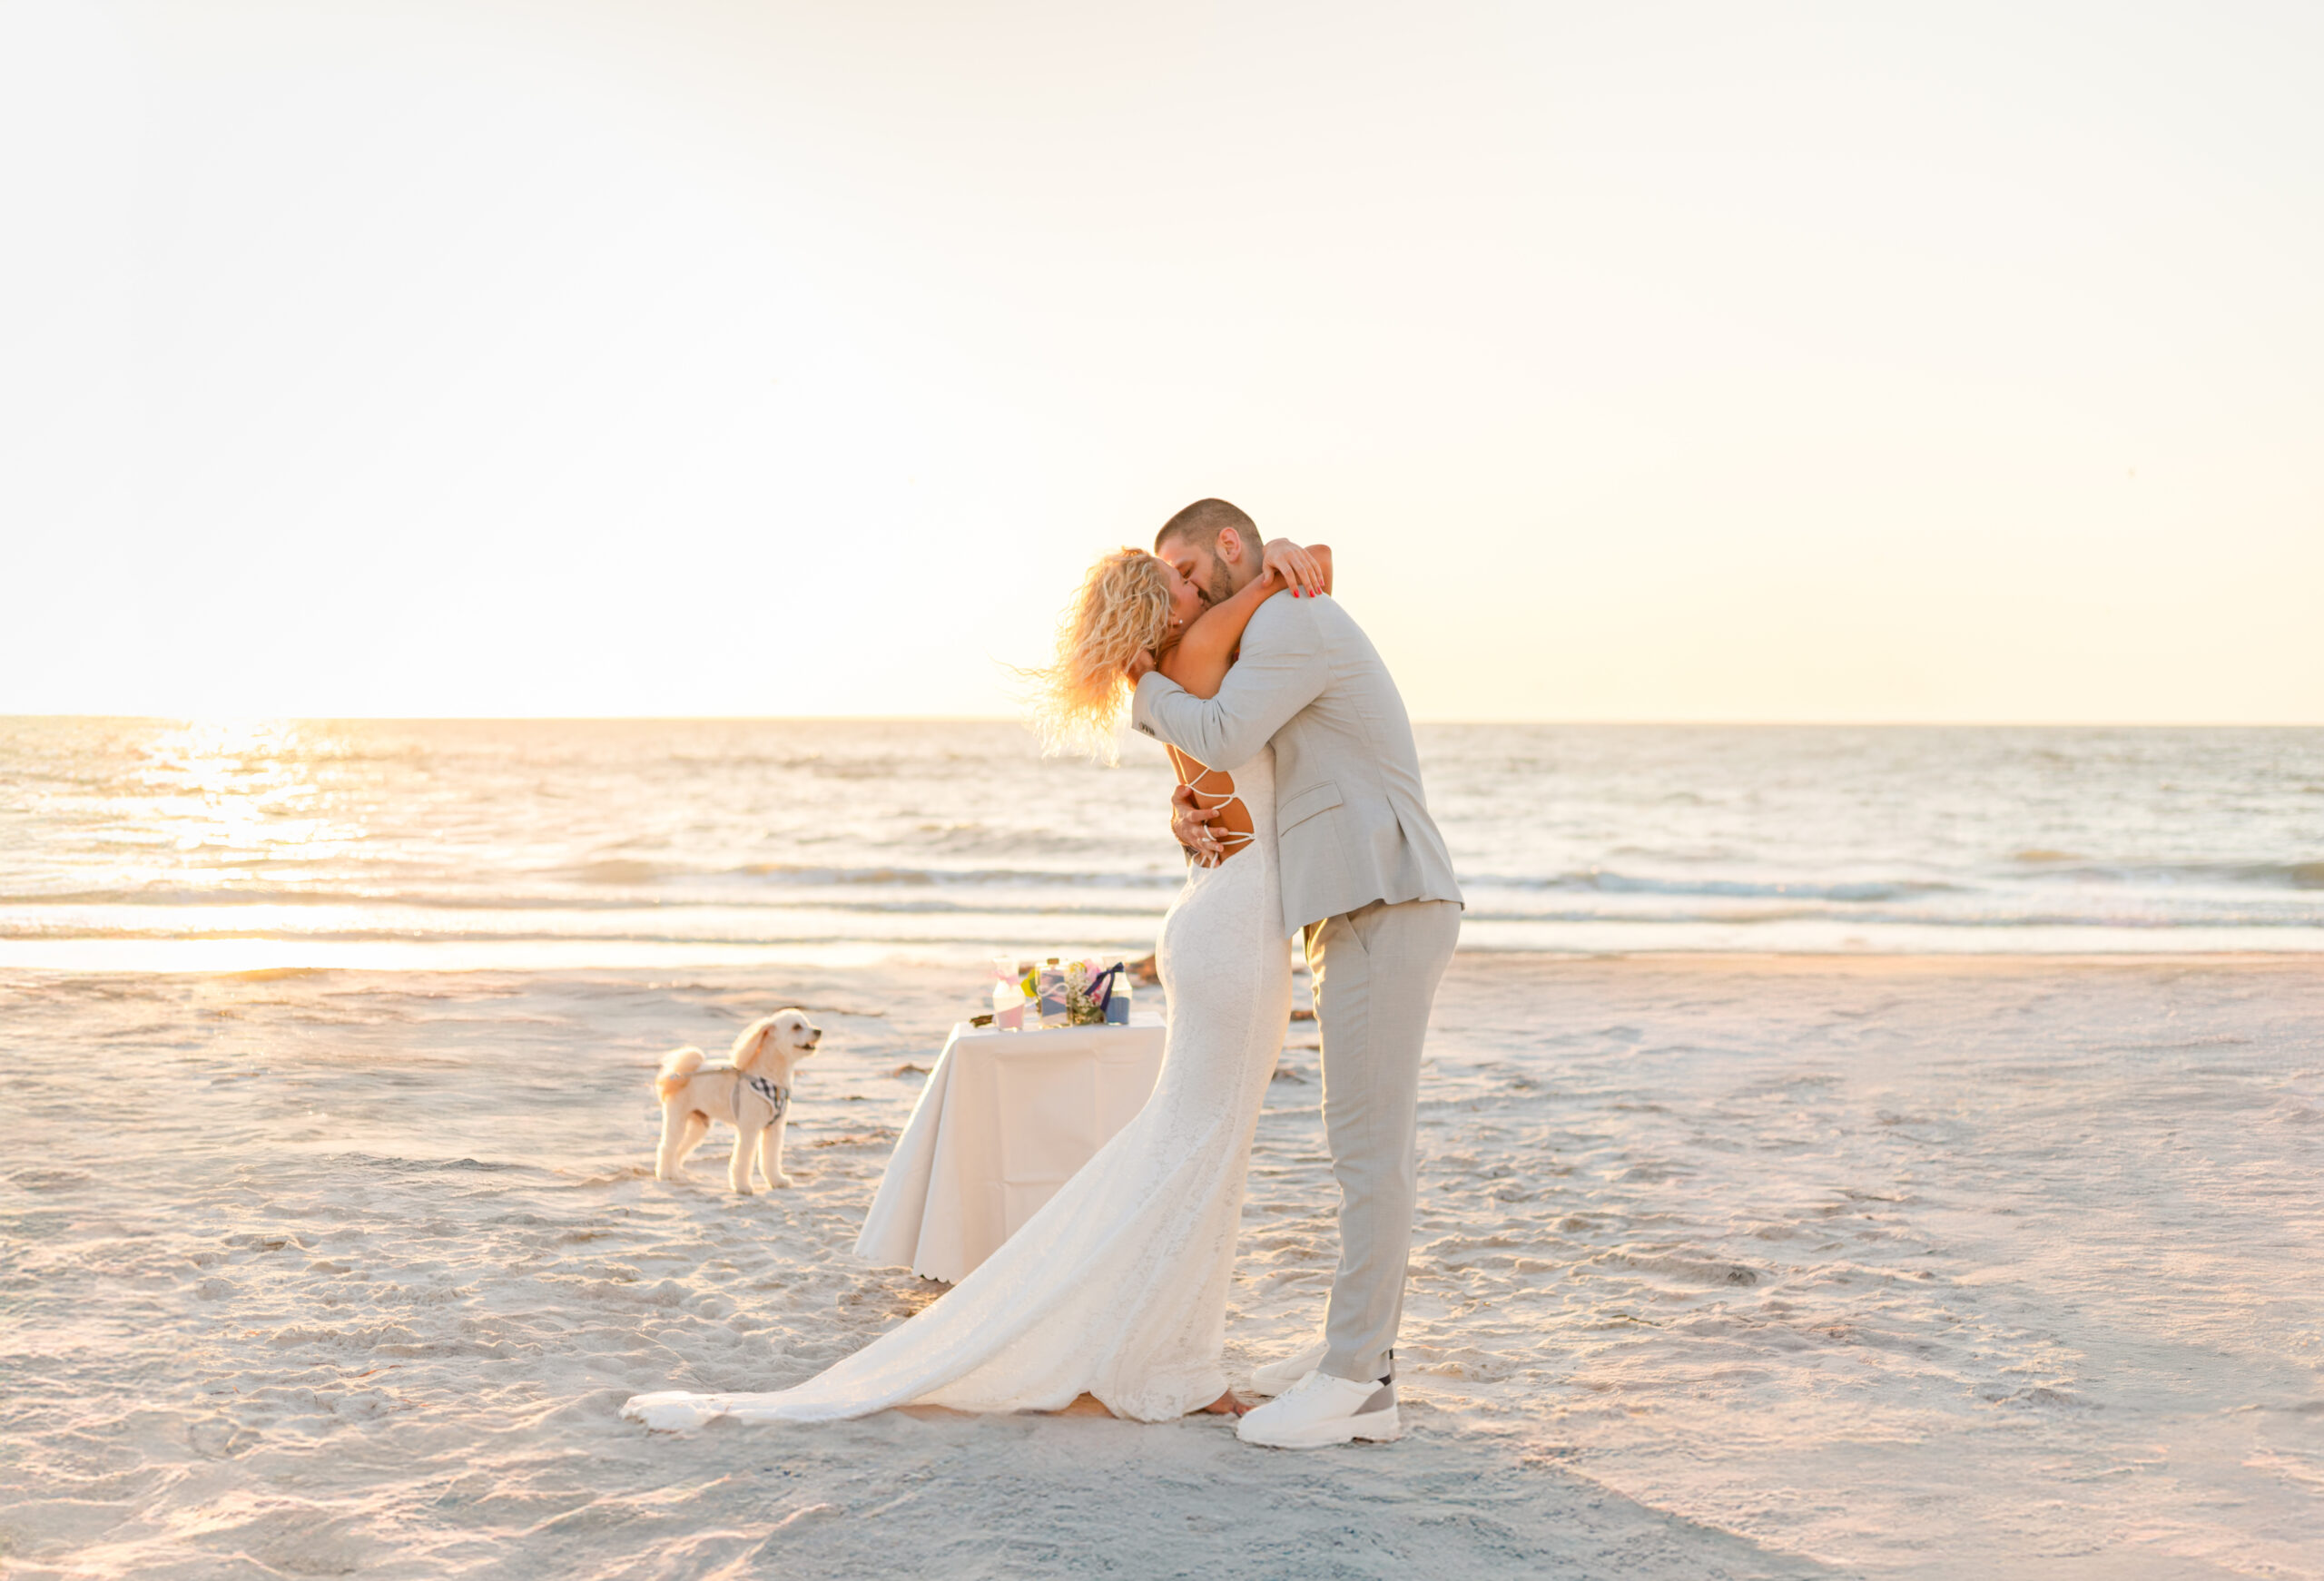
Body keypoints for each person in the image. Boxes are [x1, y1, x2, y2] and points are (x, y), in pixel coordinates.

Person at [623, 531, 1330, 1433]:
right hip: (1232, 930)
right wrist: (1283, 557)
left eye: (1194, 576)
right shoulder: (1200, 652)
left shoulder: (1167, 676)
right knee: (1204, 1150)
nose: (1194, 590)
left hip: (1215, 918)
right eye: (1179, 581)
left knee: (1190, 1148)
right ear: (1160, 609)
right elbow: (1277, 588)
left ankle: (1165, 1347)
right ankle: (1178, 1363)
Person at [1128, 497, 1462, 1450]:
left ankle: (1357, 1380)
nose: (1184, 597)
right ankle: (1353, 1348)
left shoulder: (1293, 616)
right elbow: (1242, 768)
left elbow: (1226, 731)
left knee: (1369, 1148)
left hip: (1383, 893)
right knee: (1359, 1138)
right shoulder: (1271, 615)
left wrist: (1138, 682)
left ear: (1232, 545)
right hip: (1352, 898)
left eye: (1190, 573)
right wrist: (1185, 807)